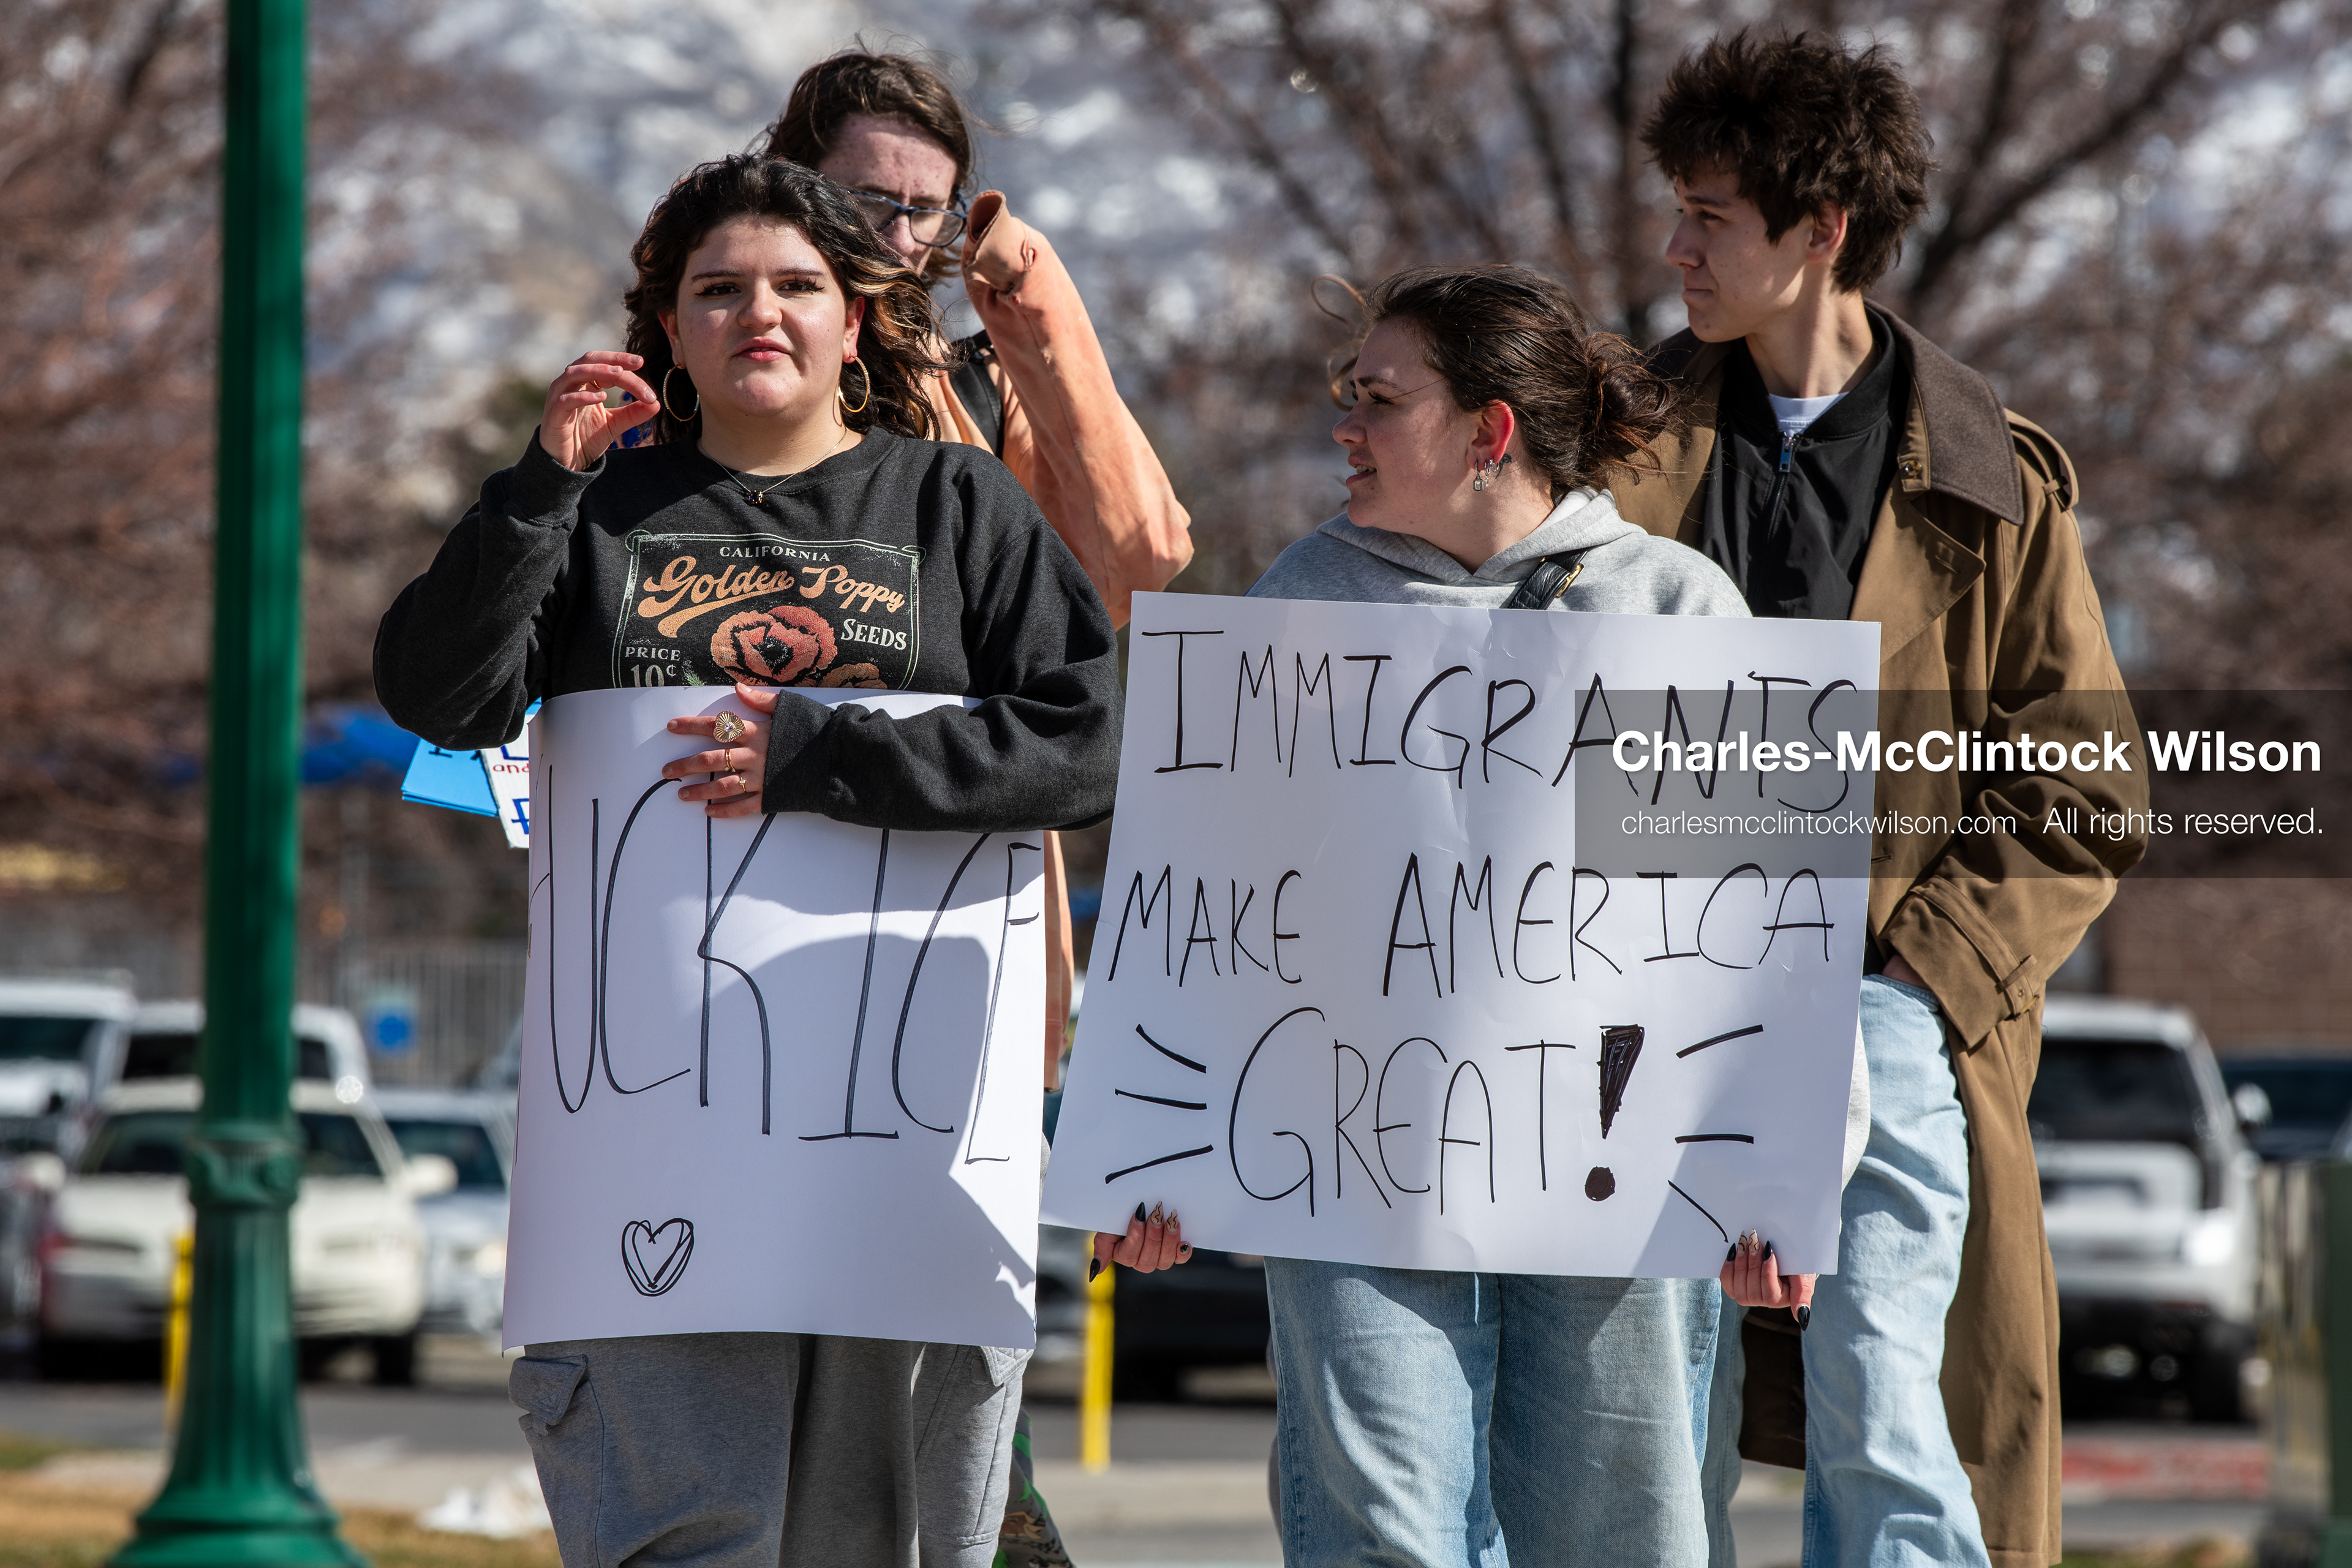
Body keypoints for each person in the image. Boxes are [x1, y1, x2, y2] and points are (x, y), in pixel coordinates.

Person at [374, 154, 1125, 1568]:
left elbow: (1087, 743)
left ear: (859, 317)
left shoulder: (956, 510)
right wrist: (541, 485)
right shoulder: (599, 517)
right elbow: (440, 696)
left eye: (798, 285)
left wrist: (823, 757)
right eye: (717, 290)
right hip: (653, 1149)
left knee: (893, 1540)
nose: (758, 313)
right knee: (686, 1539)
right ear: (666, 326)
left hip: (899, 1144)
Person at [1624, 32, 2150, 1568]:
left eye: (1710, 214)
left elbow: (2085, 787)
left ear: (1821, 233)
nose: (1675, 248)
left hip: (1890, 1010)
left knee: (1895, 1425)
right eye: (1678, 209)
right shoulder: (1609, 442)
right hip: (1630, 1010)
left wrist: (1916, 976)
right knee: (1641, 1434)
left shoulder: (2000, 483)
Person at [757, 52, 1199, 1565]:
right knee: (796, 1338)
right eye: (861, 197)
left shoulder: (973, 382)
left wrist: (1028, 289)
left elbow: (1139, 559)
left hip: (958, 913)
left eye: (925, 210)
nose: (892, 234)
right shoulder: (720, 349)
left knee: (957, 1339)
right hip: (751, 923)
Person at [1238, 263, 1749, 1568]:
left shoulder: (1670, 611)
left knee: (1618, 1532)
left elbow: (1753, 942)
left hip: (1616, 1167)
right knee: (1383, 1531)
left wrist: (1785, 1170)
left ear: (1490, 430)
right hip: (1356, 1162)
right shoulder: (1307, 604)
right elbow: (1225, 903)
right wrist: (1168, 1149)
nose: (1343, 428)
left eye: (1379, 399)